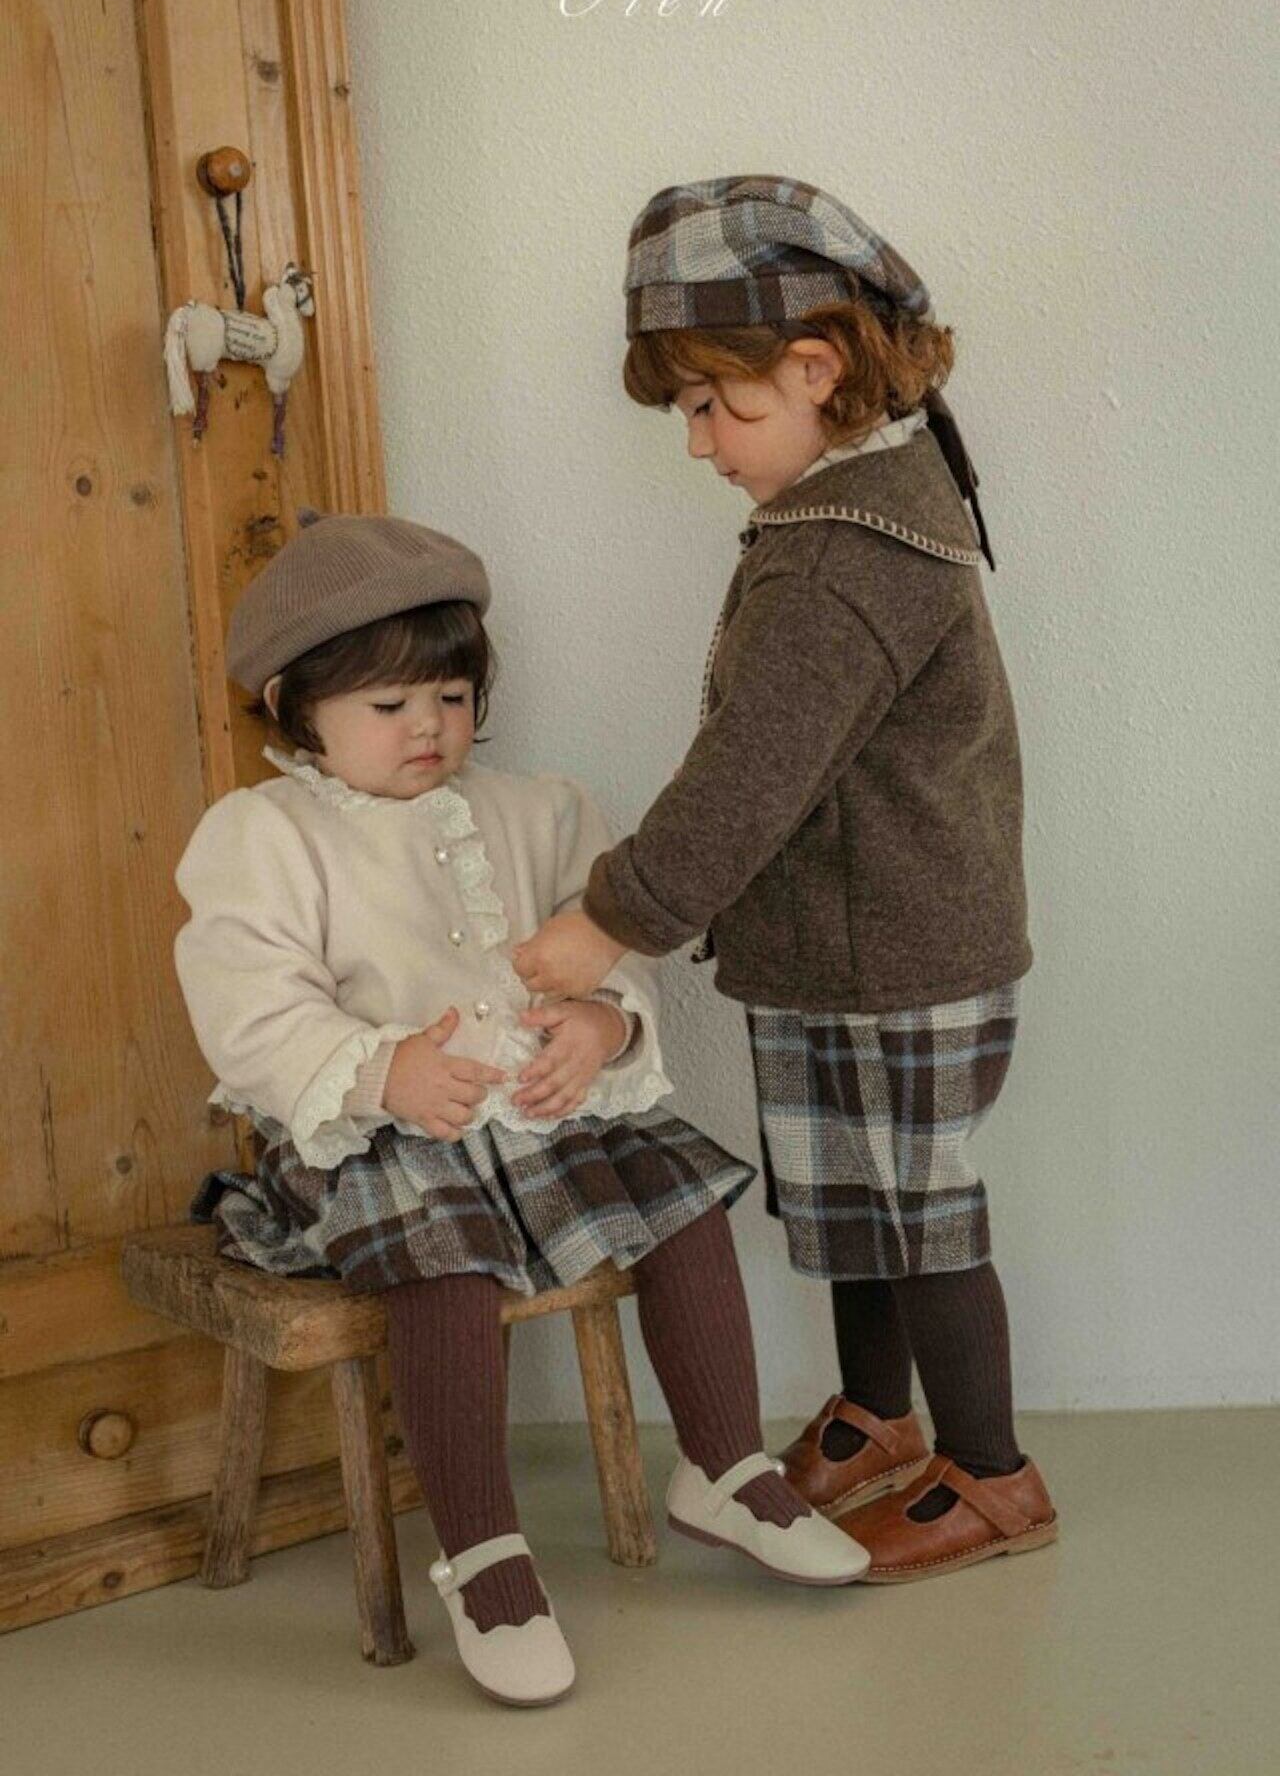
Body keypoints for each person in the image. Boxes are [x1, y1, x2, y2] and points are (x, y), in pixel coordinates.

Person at [173, 508, 870, 1709]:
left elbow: (615, 948)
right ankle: (485, 1552)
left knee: (680, 1196)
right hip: (380, 1142)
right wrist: (381, 1070)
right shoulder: (263, 837)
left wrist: (603, 1024)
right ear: (295, 707)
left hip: (544, 1121)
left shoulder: (539, 809)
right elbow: (246, 1005)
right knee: (441, 1263)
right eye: (388, 705)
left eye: (449, 697)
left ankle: (721, 1464)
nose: (427, 727)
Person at [512, 174, 1058, 1583]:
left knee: (916, 1211)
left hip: (900, 947)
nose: (699, 443)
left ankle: (993, 1472)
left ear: (816, 369)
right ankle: (880, 1416)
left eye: (715, 405)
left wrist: (608, 921)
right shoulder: (853, 510)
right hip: (845, 936)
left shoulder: (844, 555)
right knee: (855, 1204)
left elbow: (749, 773)